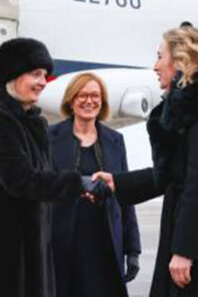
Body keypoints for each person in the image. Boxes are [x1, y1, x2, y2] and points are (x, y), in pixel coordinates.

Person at [0, 38, 112, 297]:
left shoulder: (31, 122)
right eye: (35, 74)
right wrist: (78, 183)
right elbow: (20, 180)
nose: (43, 82)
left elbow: (43, 177)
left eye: (45, 75)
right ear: (12, 76)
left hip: (23, 242)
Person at [94, 24, 198, 297]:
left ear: (180, 59)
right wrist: (117, 183)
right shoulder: (186, 106)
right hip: (193, 227)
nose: (155, 66)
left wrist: (186, 250)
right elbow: (171, 174)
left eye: (160, 57)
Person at [49, 73, 142, 297]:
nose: (89, 101)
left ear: (102, 102)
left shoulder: (115, 140)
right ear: (71, 100)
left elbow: (125, 196)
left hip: (105, 243)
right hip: (63, 243)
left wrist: (133, 249)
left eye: (95, 96)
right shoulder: (50, 138)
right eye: (82, 95)